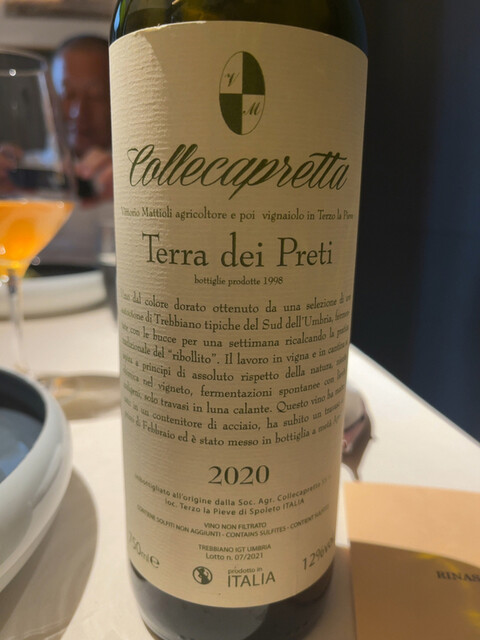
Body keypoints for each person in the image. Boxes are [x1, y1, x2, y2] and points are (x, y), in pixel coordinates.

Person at [39, 35, 114, 265]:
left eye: (96, 97)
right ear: (49, 99)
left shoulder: (144, 178)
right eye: (68, 95)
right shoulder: (18, 179)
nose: (78, 112)